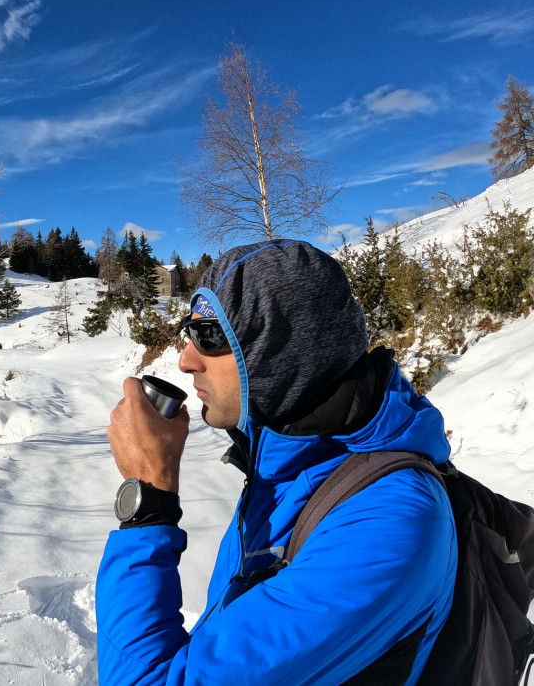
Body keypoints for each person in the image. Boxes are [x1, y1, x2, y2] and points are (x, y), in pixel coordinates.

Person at [96, 239, 457, 685]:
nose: (186, 360)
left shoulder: (388, 523)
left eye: (210, 337)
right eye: (189, 333)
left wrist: (148, 495)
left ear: (284, 352)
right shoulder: (288, 466)